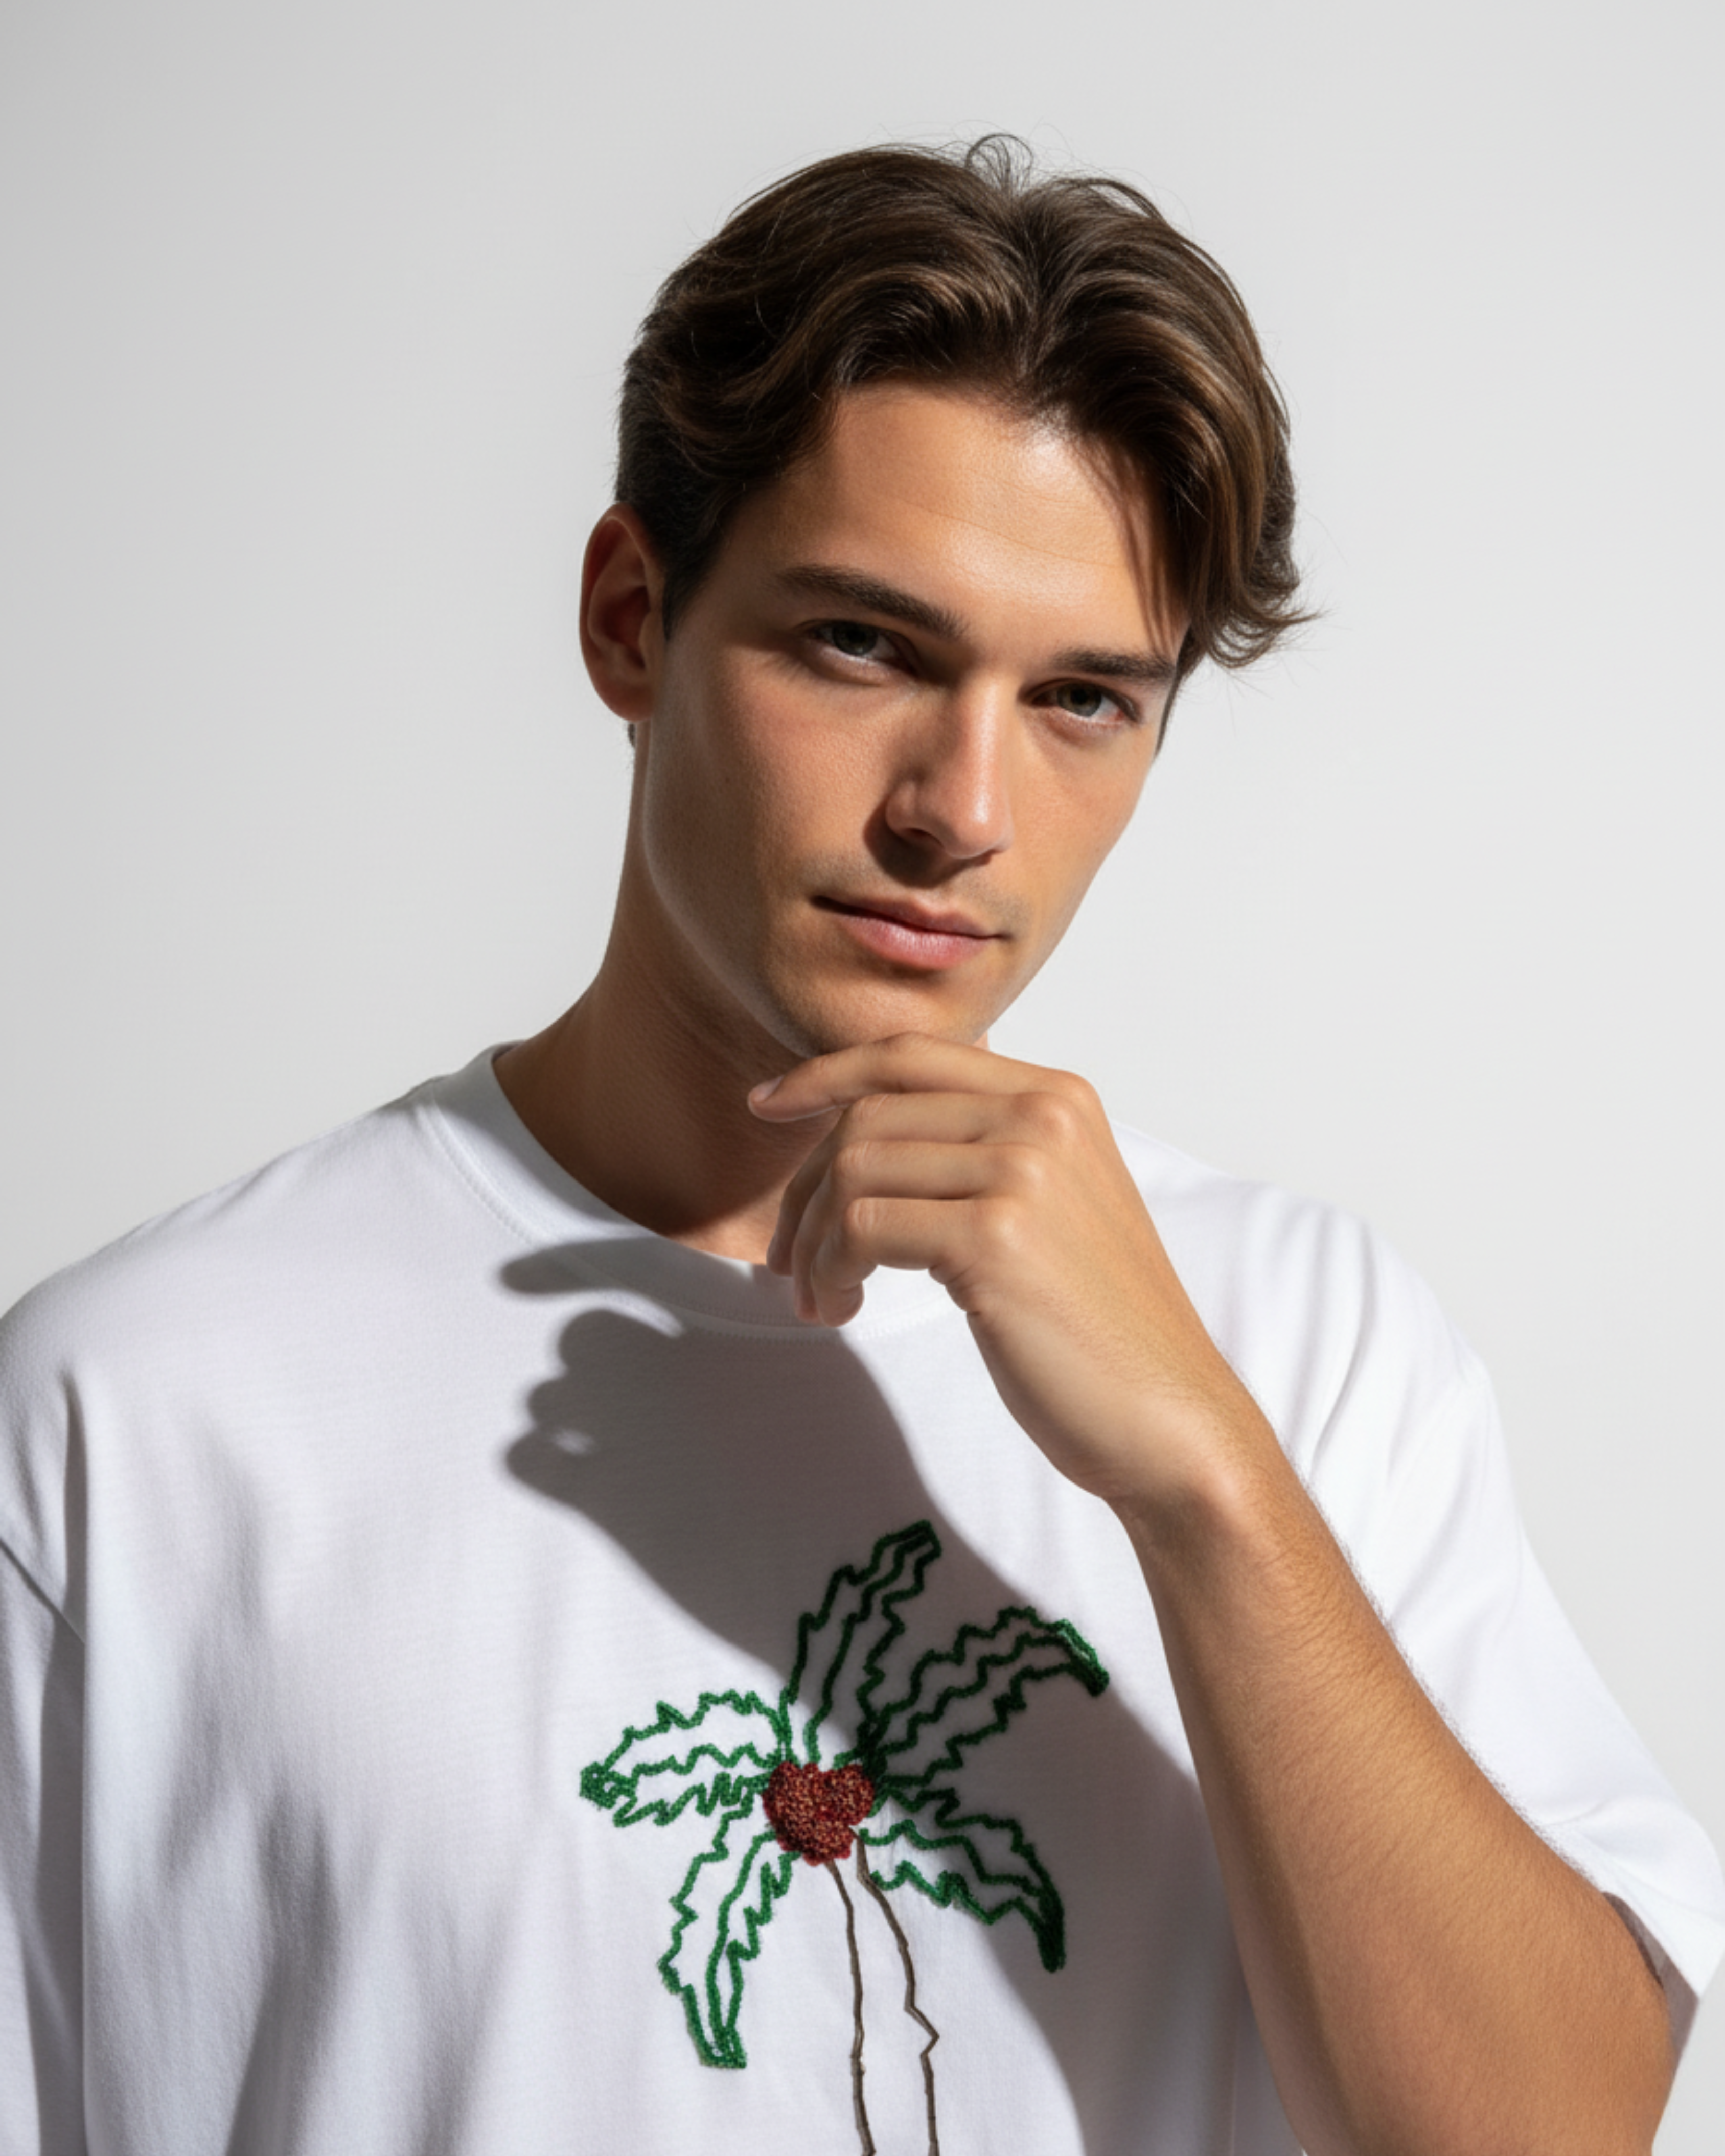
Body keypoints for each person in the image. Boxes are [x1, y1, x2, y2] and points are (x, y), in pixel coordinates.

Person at [2, 138, 1720, 2156]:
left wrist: (1202, 1477)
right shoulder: (140, 1406)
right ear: (631, 618)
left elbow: (1554, 2135)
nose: (962, 810)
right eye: (866, 647)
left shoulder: (1303, 1341)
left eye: (1082, 698)